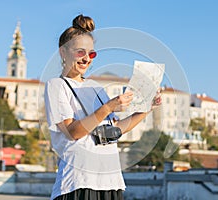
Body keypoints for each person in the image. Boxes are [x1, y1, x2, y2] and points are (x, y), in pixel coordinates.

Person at [44, 14, 161, 200]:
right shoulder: (56, 85)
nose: (86, 59)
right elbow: (73, 132)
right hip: (78, 183)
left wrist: (147, 108)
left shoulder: (96, 87)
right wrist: (107, 107)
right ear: (63, 52)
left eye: (91, 54)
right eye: (80, 52)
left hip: (111, 182)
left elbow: (115, 130)